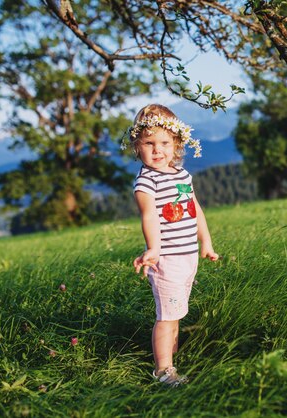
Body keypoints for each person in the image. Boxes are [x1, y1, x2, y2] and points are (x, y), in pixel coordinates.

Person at [124, 103, 219, 387]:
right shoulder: (146, 181)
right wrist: (153, 248)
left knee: (177, 310)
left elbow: (194, 208)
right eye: (149, 143)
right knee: (167, 315)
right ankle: (163, 370)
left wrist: (207, 241)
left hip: (188, 256)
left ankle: (171, 353)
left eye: (164, 142)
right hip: (167, 259)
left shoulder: (181, 175)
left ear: (176, 143)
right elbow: (149, 215)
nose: (157, 150)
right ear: (136, 146)